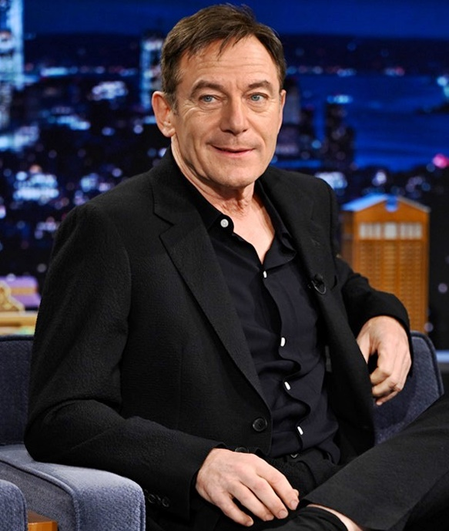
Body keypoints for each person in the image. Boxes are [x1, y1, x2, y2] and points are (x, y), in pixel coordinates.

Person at [24, 5, 449, 531]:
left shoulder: (306, 199)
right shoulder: (109, 229)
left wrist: (385, 315)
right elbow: (59, 416)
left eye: (256, 97)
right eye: (209, 98)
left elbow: (340, 283)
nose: (237, 122)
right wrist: (199, 464)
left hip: (344, 480)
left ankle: (335, 521)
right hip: (241, 510)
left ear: (281, 108)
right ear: (166, 113)